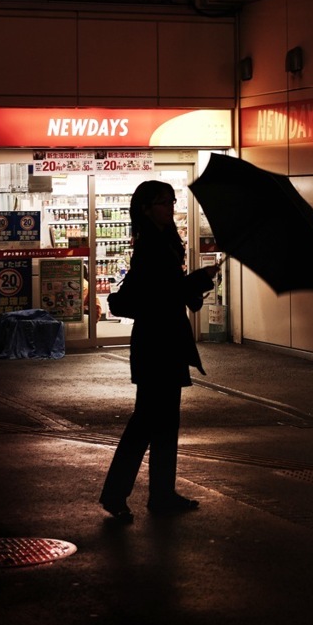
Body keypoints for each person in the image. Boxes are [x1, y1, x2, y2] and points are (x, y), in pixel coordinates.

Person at [100, 180, 220, 520]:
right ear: (146, 208)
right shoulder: (151, 247)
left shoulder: (164, 243)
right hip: (157, 344)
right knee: (147, 422)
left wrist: (196, 282)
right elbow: (162, 293)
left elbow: (171, 292)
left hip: (164, 341)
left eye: (171, 201)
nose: (170, 207)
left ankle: (161, 492)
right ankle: (117, 494)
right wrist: (196, 280)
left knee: (165, 421)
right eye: (164, 202)